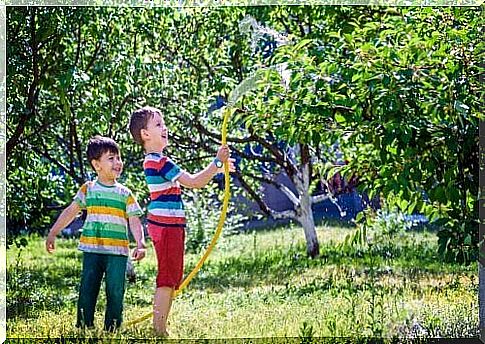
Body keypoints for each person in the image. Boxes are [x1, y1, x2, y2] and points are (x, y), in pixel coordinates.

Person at [129, 106, 235, 336]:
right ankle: (158, 330)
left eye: (163, 123)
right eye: (158, 124)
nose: (164, 127)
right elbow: (195, 182)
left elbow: (194, 180)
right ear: (145, 134)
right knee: (167, 277)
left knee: (172, 276)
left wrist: (218, 167)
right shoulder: (159, 162)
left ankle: (161, 326)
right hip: (165, 226)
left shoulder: (156, 161)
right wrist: (217, 163)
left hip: (170, 225)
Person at [45, 135, 146, 332]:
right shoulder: (88, 189)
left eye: (119, 158)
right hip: (92, 250)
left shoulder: (125, 193)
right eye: (111, 158)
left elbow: (134, 220)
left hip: (117, 252)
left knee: (116, 291)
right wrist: (53, 233)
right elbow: (70, 211)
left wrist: (140, 243)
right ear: (96, 165)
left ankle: (113, 328)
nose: (118, 162)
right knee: (88, 288)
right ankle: (84, 326)